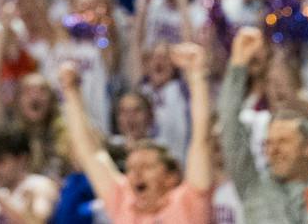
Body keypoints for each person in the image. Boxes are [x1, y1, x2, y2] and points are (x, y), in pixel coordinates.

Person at [219, 24, 308, 224]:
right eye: (269, 143)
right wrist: (237, 64)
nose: (273, 150)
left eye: (283, 141)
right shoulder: (253, 187)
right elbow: (230, 129)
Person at [59, 40, 214, 224]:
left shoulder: (189, 201)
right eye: (131, 168)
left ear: (171, 178)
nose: (136, 174)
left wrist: (197, 76)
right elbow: (90, 154)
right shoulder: (123, 200)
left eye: (147, 167)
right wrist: (71, 91)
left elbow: (201, 139)